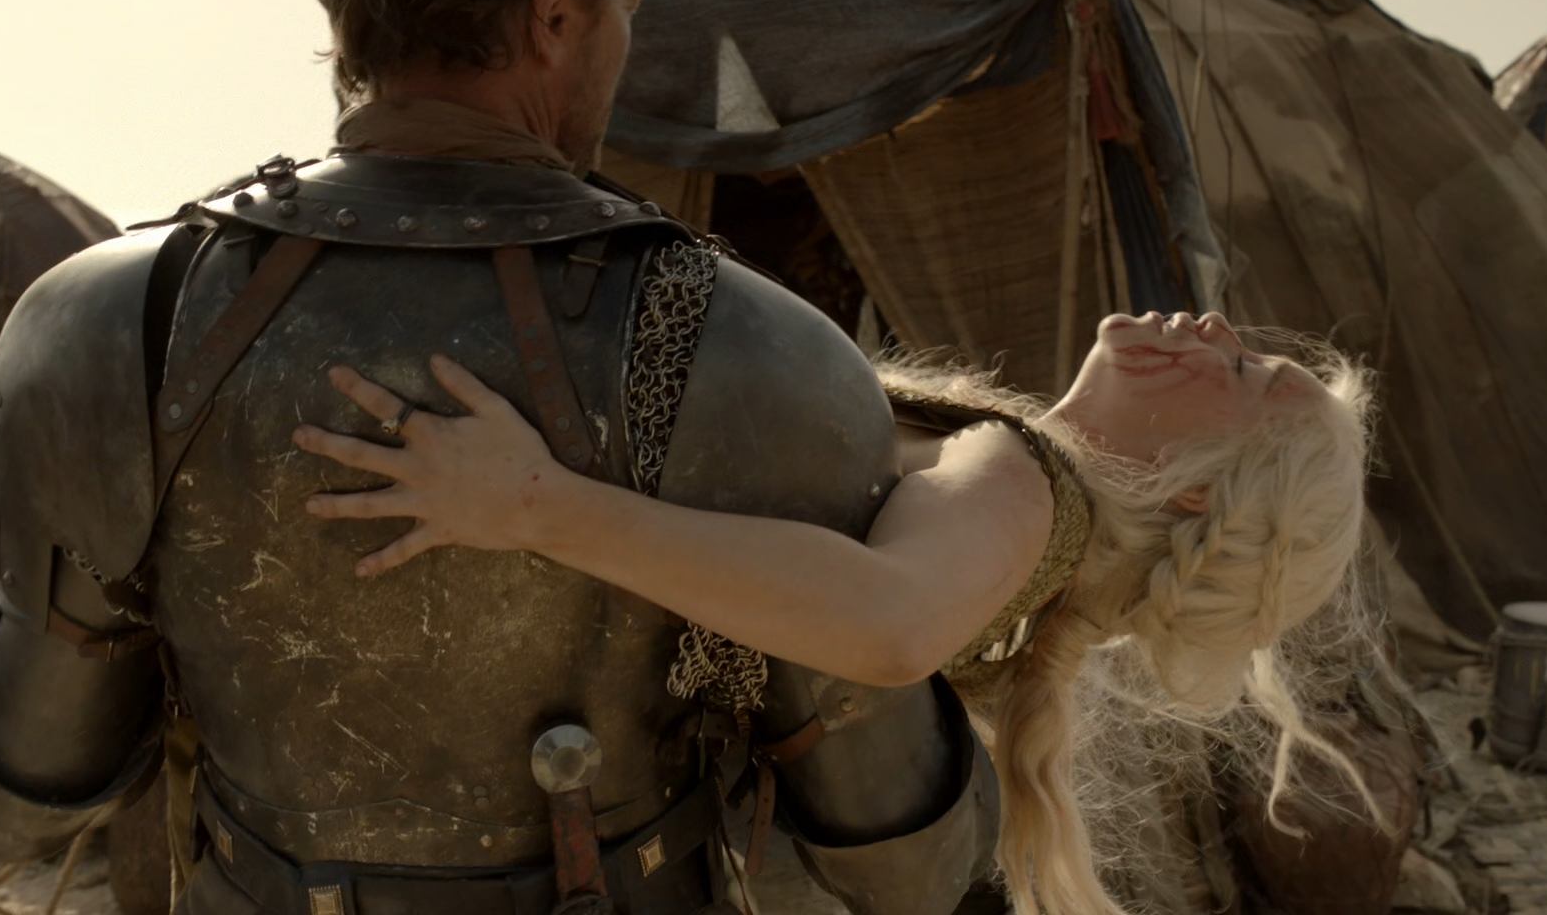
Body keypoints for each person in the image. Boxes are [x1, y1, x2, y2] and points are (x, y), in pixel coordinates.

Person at [0, 0, 993, 912]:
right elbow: (906, 865)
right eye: (624, 12)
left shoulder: (113, 317)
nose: (619, 44)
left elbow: (28, 800)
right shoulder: (755, 350)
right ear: (556, 12)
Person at [292, 310, 1377, 915]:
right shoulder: (1034, 519)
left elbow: (891, 625)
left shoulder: (1029, 484)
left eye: (1243, 370)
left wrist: (530, 502)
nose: (1215, 326)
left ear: (1193, 491)